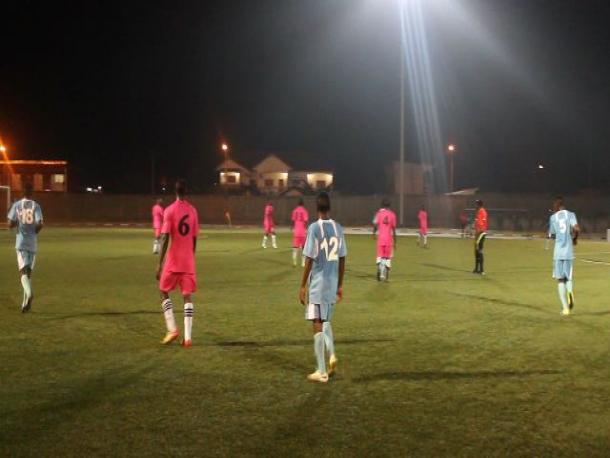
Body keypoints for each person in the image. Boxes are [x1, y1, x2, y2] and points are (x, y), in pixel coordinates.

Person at [299, 192, 346, 383]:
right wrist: (340, 284)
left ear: (316, 208)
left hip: (318, 284)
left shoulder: (314, 228)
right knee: (326, 320)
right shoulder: (338, 228)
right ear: (329, 207)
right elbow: (343, 258)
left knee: (316, 322)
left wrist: (302, 285)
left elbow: (309, 259)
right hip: (332, 283)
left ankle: (321, 370)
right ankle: (332, 354)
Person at [156, 180, 199, 347]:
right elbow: (194, 239)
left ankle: (172, 329)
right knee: (187, 296)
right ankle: (187, 338)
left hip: (173, 261)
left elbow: (165, 237)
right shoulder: (193, 211)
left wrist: (159, 263)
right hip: (188, 261)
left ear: (175, 192)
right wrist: (191, 256)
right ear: (186, 192)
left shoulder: (169, 210)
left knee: (163, 290)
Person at [7, 182, 43, 313]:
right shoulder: (36, 206)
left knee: (23, 273)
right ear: (32, 193)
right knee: (28, 274)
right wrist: (34, 232)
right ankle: (25, 304)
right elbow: (40, 224)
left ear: (22, 192)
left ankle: (29, 294)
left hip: (21, 243)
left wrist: (16, 222)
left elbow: (10, 224)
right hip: (32, 243)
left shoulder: (17, 205)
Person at [549, 197, 580, 316]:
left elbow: (552, 234)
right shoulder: (570, 214)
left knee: (560, 279)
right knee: (568, 278)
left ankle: (565, 309)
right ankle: (570, 292)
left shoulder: (553, 217)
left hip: (558, 252)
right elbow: (577, 229)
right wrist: (575, 238)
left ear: (556, 206)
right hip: (568, 252)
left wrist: (554, 236)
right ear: (563, 205)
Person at [372, 198, 397, 281]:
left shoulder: (379, 214)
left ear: (382, 205)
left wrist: (373, 233)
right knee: (387, 257)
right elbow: (394, 229)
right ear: (390, 205)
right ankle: (385, 275)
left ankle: (380, 269)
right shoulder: (392, 215)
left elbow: (375, 224)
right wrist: (395, 241)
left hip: (381, 239)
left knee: (380, 256)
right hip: (389, 239)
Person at [291, 198, 309, 267]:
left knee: (295, 247)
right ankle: (303, 263)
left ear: (298, 204)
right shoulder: (304, 211)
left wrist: (292, 227)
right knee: (304, 247)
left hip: (296, 231)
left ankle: (294, 262)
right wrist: (306, 229)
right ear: (303, 204)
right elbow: (306, 220)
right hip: (302, 231)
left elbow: (293, 220)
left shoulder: (295, 210)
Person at [473, 199, 488, 275]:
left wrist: (479, 231)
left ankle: (481, 270)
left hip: (480, 233)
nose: (475, 205)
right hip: (479, 233)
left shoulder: (482, 211)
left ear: (478, 204)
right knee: (476, 251)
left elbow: (481, 223)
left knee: (479, 251)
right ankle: (476, 269)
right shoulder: (479, 211)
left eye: (476, 204)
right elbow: (477, 222)